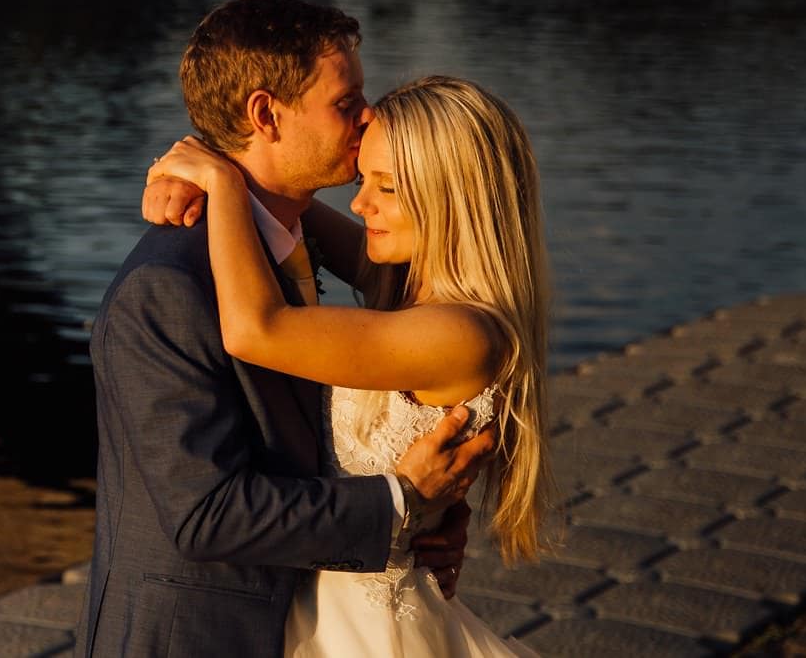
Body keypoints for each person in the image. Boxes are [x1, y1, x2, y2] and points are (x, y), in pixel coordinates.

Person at [76, 0, 497, 658]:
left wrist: (432, 513)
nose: (369, 115)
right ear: (266, 113)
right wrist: (401, 503)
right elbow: (203, 514)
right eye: (346, 101)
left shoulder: (290, 240)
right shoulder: (169, 287)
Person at [147, 71, 553, 656]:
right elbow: (284, 201)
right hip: (328, 600)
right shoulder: (411, 283)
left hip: (365, 629)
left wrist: (217, 180)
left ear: (454, 197)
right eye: (365, 179)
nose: (360, 204)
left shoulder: (460, 333)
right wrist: (197, 167)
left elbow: (255, 330)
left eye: (386, 188)